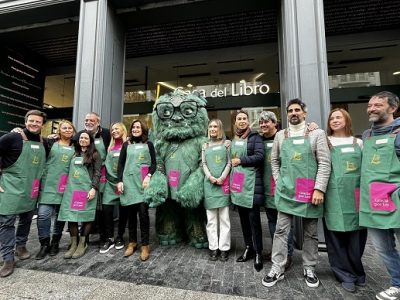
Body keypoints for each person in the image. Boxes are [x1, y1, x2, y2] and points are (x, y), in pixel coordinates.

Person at [262, 98, 331, 288]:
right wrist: (279, 180)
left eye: (297, 110)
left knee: (310, 233)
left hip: (310, 193)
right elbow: (274, 161)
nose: (293, 113)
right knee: (281, 230)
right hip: (286, 191)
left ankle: (309, 267)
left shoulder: (317, 133)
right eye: (290, 110)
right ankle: (277, 267)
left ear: (304, 113)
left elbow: (325, 163)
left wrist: (319, 188)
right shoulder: (280, 136)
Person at [358, 91, 400, 300]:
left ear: (392, 108)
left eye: (378, 105)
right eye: (370, 105)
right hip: (374, 201)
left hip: (397, 200)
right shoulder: (367, 136)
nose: (372, 108)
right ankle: (397, 283)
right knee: (383, 249)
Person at [0, 110, 49, 277]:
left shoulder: (45, 142)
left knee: (26, 220)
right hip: (10, 188)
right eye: (31, 121)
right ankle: (8, 258)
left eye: (38, 122)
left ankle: (21, 246)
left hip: (31, 188)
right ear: (25, 121)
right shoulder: (13, 137)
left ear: (43, 124)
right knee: (6, 222)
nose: (34, 124)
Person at [323, 108, 367, 293]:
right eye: (332, 118)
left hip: (355, 195)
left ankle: (357, 271)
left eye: (338, 117)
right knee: (335, 236)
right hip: (333, 194)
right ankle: (344, 274)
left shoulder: (359, 142)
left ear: (347, 120)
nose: (334, 120)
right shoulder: (325, 141)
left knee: (357, 236)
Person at [35, 120, 76, 260]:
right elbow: (33, 138)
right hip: (48, 184)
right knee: (43, 215)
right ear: (59, 130)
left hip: (65, 186)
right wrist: (17, 131)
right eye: (64, 128)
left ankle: (55, 242)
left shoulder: (76, 146)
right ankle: (44, 243)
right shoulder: (49, 143)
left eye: (70, 128)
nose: (67, 130)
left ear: (73, 131)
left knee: (60, 216)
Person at [259, 111, 294, 270]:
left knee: (285, 224)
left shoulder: (284, 138)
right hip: (267, 189)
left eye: (267, 122)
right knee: (272, 222)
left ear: (275, 123)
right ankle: (277, 252)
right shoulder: (259, 140)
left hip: (282, 188)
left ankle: (288, 255)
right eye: (261, 122)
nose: (263, 125)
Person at [58, 131, 101, 259]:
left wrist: (94, 188)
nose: (83, 139)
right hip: (72, 190)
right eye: (81, 137)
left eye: (86, 138)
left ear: (90, 141)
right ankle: (73, 244)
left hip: (86, 189)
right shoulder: (73, 153)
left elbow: (97, 173)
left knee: (86, 216)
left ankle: (82, 243)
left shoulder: (95, 155)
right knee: (71, 216)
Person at [117, 120, 156, 261]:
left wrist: (149, 176)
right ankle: (132, 242)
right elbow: (120, 163)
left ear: (143, 129)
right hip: (128, 184)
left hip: (143, 184)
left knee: (144, 215)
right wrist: (119, 181)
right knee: (131, 215)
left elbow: (154, 164)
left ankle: (145, 245)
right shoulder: (126, 145)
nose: (135, 129)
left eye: (138, 127)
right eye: (133, 127)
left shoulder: (149, 144)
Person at [231, 110, 265, 272]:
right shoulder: (233, 139)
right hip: (238, 187)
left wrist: (241, 160)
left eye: (244, 118)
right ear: (235, 122)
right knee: (243, 221)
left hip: (251, 187)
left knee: (254, 222)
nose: (242, 121)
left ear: (248, 121)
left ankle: (258, 252)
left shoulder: (255, 137)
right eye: (239, 119)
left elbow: (260, 156)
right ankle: (248, 247)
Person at [75, 112, 111, 243]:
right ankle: (84, 238)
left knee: (101, 208)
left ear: (98, 122)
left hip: (103, 174)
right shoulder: (80, 134)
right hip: (84, 175)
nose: (88, 122)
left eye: (92, 120)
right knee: (86, 204)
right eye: (86, 120)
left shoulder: (106, 134)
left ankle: (103, 236)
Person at [202, 119, 231, 261]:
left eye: (215, 126)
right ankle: (213, 247)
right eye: (210, 126)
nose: (212, 129)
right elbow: (204, 163)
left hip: (223, 184)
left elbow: (229, 162)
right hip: (210, 185)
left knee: (224, 219)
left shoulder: (227, 144)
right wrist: (210, 177)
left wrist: (222, 177)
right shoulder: (205, 145)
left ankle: (224, 248)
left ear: (220, 128)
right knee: (211, 220)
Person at [99, 122, 128, 254]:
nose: (114, 131)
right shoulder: (109, 148)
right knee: (107, 211)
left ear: (123, 130)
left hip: (123, 183)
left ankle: (120, 237)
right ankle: (109, 238)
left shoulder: (128, 145)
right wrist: (103, 180)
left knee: (123, 212)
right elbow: (105, 165)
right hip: (110, 184)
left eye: (117, 129)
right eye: (112, 129)